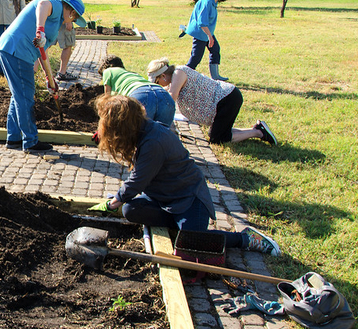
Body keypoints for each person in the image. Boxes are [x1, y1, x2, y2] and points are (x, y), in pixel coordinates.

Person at [92, 94, 281, 256]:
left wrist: (114, 201)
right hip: (163, 198)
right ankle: (180, 226)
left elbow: (138, 180)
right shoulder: (144, 130)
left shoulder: (153, 142)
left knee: (191, 243)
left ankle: (245, 238)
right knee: (130, 211)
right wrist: (120, 201)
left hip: (188, 200)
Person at [0, 0, 86, 153]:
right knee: (25, 97)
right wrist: (40, 31)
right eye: (74, 18)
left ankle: (13, 137)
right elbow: (42, 4)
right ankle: (30, 141)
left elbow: (42, 54)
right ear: (71, 12)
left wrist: (49, 79)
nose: (72, 21)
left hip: (13, 50)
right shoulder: (56, 5)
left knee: (19, 95)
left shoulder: (56, 22)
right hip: (17, 50)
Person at [146, 57, 277, 145]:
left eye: (157, 82)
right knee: (220, 132)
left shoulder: (178, 73)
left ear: (163, 75)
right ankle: (257, 128)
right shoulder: (172, 80)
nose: (159, 85)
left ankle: (258, 133)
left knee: (217, 138)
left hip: (227, 98)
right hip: (224, 100)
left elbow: (170, 99)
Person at [98, 54, 175, 128]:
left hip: (142, 96)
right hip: (165, 96)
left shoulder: (108, 71)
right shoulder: (133, 74)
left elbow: (107, 101)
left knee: (136, 134)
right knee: (162, 134)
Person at [184, 0, 229, 81]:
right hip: (201, 33)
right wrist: (210, 36)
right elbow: (202, 22)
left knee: (215, 50)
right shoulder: (207, 2)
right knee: (196, 57)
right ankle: (183, 76)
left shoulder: (213, 1)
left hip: (206, 33)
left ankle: (215, 76)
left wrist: (210, 35)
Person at [43, 0, 77, 81]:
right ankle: (62, 73)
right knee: (68, 43)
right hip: (60, 17)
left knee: (44, 45)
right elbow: (64, 2)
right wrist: (69, 22)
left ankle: (35, 71)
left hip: (47, 15)